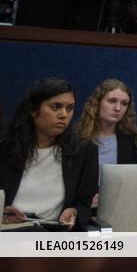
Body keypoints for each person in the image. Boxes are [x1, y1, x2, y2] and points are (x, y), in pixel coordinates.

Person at [1, 78, 98, 231]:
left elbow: (85, 207)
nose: (64, 115)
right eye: (56, 107)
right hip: (9, 232)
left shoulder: (83, 151)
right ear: (33, 110)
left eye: (70, 108)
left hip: (53, 235)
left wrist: (74, 212)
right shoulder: (5, 148)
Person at [75, 78, 137, 169]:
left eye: (124, 103)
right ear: (98, 103)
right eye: (112, 101)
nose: (118, 108)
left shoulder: (136, 140)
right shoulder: (77, 137)